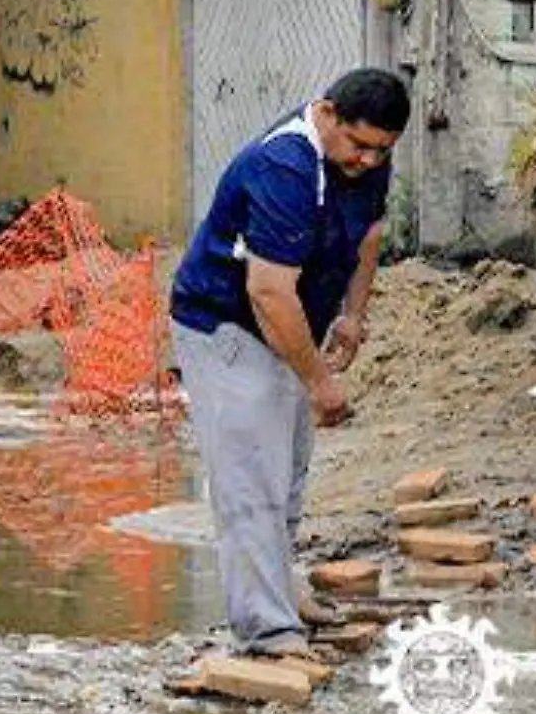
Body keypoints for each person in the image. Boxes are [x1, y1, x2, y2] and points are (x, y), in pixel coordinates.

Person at [170, 68, 410, 660]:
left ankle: (282, 591)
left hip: (284, 324)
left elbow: (369, 237)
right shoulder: (284, 167)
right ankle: (267, 632)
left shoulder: (364, 163)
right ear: (327, 114)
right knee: (251, 477)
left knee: (289, 465)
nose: (368, 161)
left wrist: (353, 316)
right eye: (358, 145)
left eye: (382, 151)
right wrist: (320, 381)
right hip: (224, 322)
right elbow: (269, 291)